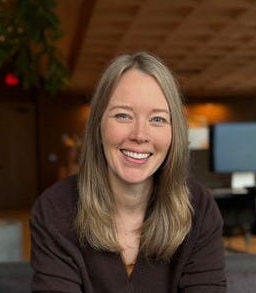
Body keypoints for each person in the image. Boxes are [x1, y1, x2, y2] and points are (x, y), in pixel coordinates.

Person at [30, 52, 226, 292]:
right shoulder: (55, 209)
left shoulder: (199, 208)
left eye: (157, 119)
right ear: (98, 126)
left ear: (174, 133)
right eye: (123, 115)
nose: (140, 135)